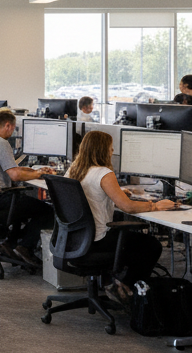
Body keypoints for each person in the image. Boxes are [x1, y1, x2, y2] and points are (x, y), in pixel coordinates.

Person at [67, 130, 173, 305]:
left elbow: (91, 193)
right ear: (101, 150)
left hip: (75, 239)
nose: (112, 150)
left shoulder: (74, 169)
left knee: (135, 239)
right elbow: (128, 207)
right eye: (110, 147)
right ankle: (123, 286)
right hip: (96, 240)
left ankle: (117, 283)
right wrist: (155, 205)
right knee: (151, 245)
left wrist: (115, 192)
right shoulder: (103, 173)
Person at [0, 110, 55, 263]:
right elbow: (14, 175)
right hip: (0, 199)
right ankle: (25, 246)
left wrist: (33, 171)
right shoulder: (1, 143)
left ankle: (10, 244)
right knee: (48, 211)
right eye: (14, 128)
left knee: (23, 202)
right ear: (8, 125)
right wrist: (39, 175)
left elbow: (11, 168)